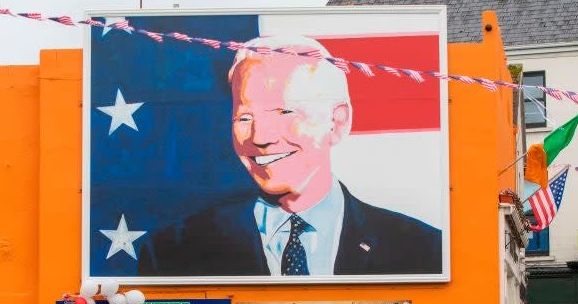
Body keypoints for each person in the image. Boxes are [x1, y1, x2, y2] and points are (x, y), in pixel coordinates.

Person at [137, 35, 442, 277]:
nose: (260, 137)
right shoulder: (172, 251)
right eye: (244, 118)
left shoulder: (423, 249)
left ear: (336, 123)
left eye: (284, 112)